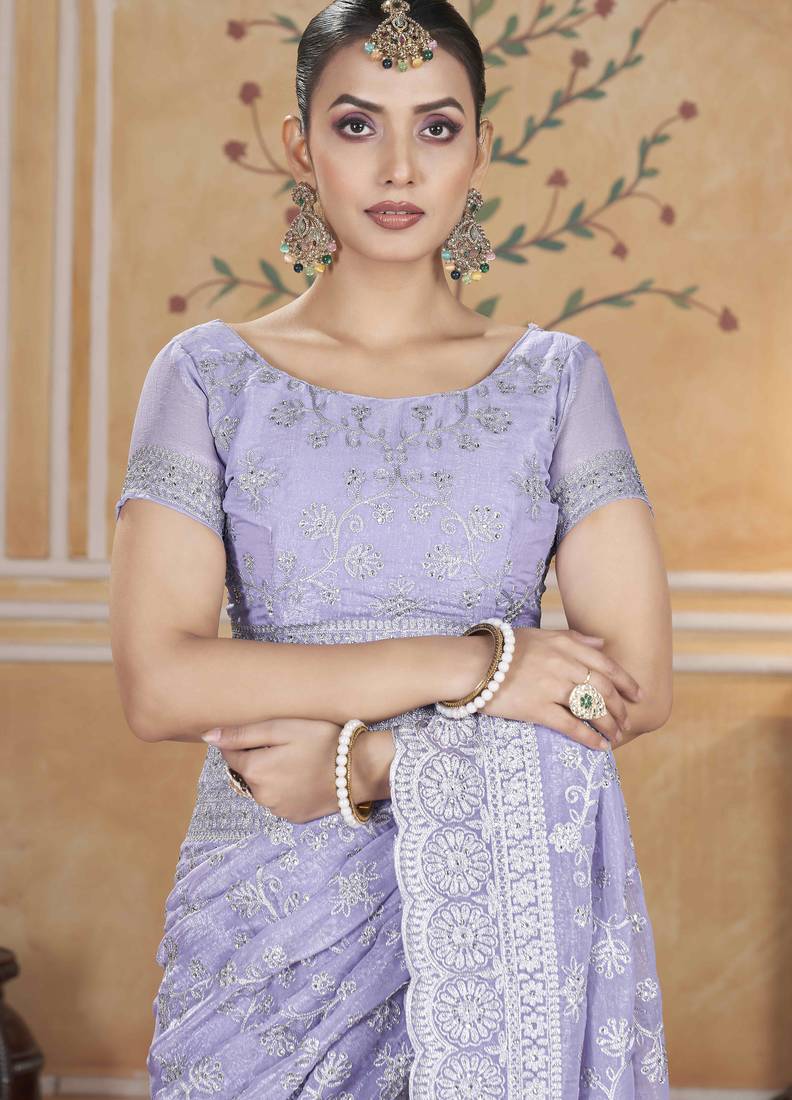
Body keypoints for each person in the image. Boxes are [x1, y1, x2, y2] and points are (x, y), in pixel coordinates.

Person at [109, 0, 674, 1094]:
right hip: (271, 915)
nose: (400, 166)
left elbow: (631, 688)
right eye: (358, 124)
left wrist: (372, 765)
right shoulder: (209, 375)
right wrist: (479, 665)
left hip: (500, 910)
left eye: (438, 127)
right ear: (300, 145)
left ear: (481, 149)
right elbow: (159, 681)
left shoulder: (555, 382)